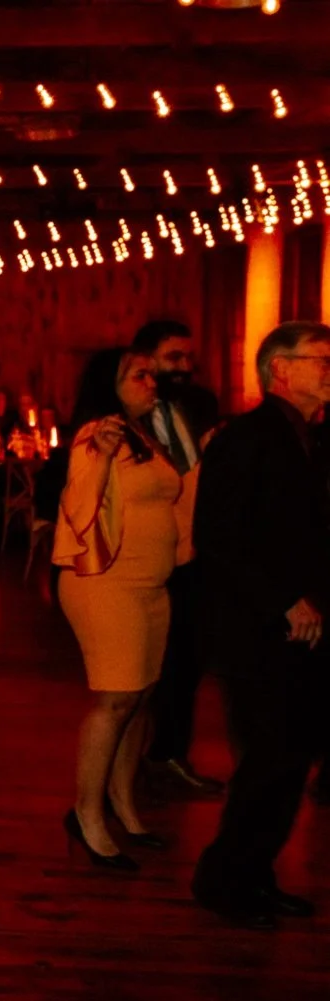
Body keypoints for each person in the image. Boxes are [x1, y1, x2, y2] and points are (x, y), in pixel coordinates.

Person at [191, 321, 330, 930]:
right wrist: (284, 602)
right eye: (321, 359)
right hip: (258, 628)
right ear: (280, 370)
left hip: (305, 628)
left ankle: (253, 874)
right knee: (270, 758)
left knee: (290, 758)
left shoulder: (314, 438)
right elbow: (218, 539)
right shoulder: (246, 438)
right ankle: (226, 878)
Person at [53, 349, 183, 871]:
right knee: (115, 700)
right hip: (107, 583)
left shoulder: (145, 431)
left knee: (140, 699)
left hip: (152, 586)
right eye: (140, 375)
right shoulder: (97, 434)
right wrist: (102, 455)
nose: (154, 382)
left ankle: (124, 805)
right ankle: (87, 815)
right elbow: (78, 501)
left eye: (154, 373)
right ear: (112, 384)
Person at [130, 320, 225, 799]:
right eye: (174, 359)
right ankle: (134, 762)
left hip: (195, 551)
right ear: (146, 359)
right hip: (145, 553)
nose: (184, 368)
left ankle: (168, 752)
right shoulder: (124, 413)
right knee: (143, 669)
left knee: (188, 660)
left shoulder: (203, 404)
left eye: (188, 358)